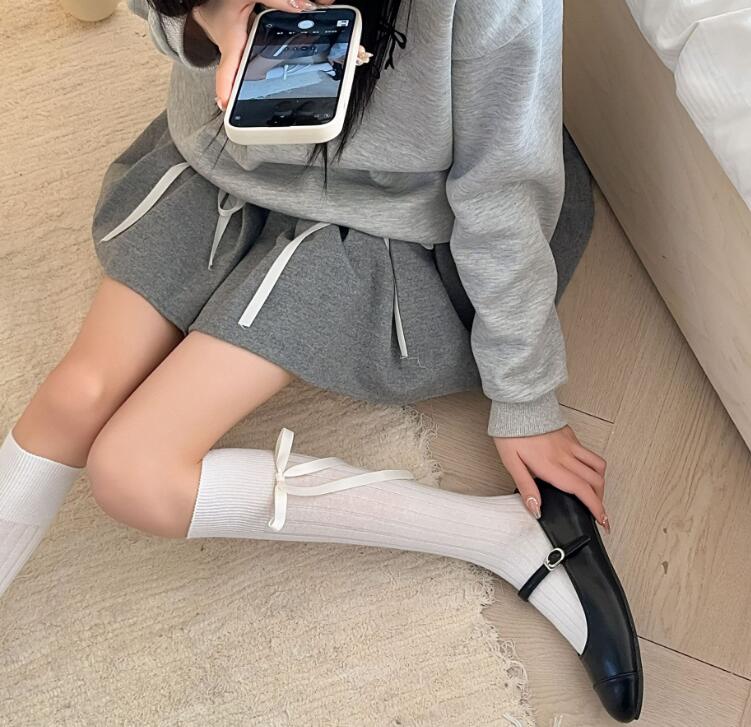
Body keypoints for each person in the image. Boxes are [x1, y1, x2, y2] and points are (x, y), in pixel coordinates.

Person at [0, 0, 642, 720]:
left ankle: (503, 537)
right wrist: (212, 20)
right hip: (222, 170)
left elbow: (502, 189)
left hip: (383, 218)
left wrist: (525, 399)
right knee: (75, 398)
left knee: (134, 473)